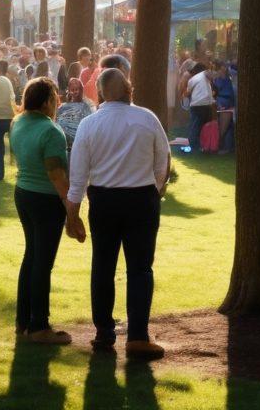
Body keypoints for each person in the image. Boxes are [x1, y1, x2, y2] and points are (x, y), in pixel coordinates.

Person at [67, 68, 170, 360]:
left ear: (100, 92)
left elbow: (78, 174)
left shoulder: (89, 124)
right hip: (141, 197)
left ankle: (104, 332)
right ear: (128, 88)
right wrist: (154, 189)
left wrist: (72, 214)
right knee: (140, 268)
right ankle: (137, 336)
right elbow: (162, 162)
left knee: (103, 266)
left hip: (104, 199)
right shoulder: (146, 118)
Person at [10, 77, 83, 344]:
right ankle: (39, 326)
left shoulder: (18, 122)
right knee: (42, 263)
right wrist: (72, 212)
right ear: (47, 101)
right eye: (55, 97)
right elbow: (56, 175)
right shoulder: (51, 131)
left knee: (31, 257)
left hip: (24, 193)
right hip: (45, 200)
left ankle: (24, 320)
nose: (58, 102)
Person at [55, 78, 95, 150]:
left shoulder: (86, 106)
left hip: (80, 144)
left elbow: (89, 123)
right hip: (65, 144)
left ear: (81, 90)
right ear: (69, 91)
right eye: (72, 90)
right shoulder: (63, 107)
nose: (74, 92)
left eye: (76, 89)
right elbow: (57, 120)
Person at [184, 63, 215, 155]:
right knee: (206, 126)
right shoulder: (204, 75)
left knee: (195, 126)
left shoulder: (192, 80)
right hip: (207, 105)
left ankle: (195, 147)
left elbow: (187, 93)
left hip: (196, 105)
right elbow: (209, 73)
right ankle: (206, 146)